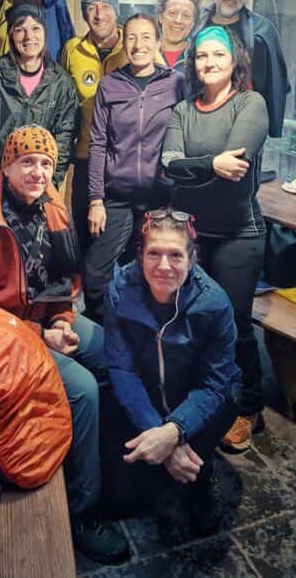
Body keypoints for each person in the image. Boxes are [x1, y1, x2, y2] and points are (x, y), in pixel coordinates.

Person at [0, 125, 129, 565]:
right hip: (3, 340)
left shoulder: (53, 209)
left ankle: (102, 462)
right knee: (81, 390)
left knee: (113, 351)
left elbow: (65, 281)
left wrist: (63, 320)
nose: (38, 171)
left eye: (46, 163)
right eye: (27, 161)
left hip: (45, 321)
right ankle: (83, 509)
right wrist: (39, 337)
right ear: (6, 165)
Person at [161, 26, 268, 452]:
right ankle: (207, 398)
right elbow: (169, 164)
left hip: (239, 235)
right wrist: (210, 163)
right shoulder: (184, 110)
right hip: (193, 234)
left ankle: (248, 407)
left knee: (235, 324)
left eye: (217, 56)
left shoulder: (251, 103)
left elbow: (235, 165)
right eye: (201, 56)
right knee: (192, 319)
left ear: (234, 60)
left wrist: (193, 168)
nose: (208, 63)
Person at [103, 209, 240, 536]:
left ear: (192, 259)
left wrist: (174, 431)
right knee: (121, 500)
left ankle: (204, 470)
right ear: (140, 255)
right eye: (154, 253)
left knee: (204, 520)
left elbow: (215, 385)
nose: (163, 266)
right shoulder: (120, 290)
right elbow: (122, 369)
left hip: (206, 399)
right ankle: (185, 461)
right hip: (149, 395)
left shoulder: (214, 303)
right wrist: (160, 434)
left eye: (175, 255)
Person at [84, 13, 186, 320]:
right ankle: (101, 342)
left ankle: (145, 336)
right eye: (131, 37)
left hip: (158, 198)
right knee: (94, 274)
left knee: (149, 272)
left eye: (145, 37)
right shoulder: (109, 85)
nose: (138, 44)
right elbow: (98, 143)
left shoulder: (176, 83)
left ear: (157, 42)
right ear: (123, 42)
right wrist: (96, 200)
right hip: (115, 195)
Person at [61, 0, 128, 251]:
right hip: (87, 159)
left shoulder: (134, 44)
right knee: (86, 239)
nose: (99, 14)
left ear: (116, 9)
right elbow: (64, 103)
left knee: (124, 244)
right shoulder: (72, 50)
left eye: (105, 6)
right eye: (91, 8)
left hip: (125, 161)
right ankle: (89, 293)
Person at [0, 3, 78, 187]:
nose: (29, 37)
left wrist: (50, 181)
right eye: (20, 30)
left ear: (44, 32)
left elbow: (64, 138)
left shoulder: (60, 83)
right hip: (0, 182)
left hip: (40, 183)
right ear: (11, 35)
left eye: (36, 28)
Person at [199, 0, 288, 137]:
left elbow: (277, 81)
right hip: (198, 119)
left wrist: (272, 126)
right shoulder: (196, 25)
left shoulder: (262, 31)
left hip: (245, 124)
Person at [157, 0, 200, 70]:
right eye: (172, 13)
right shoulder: (145, 52)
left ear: (193, 24)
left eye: (186, 16)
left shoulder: (200, 56)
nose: (178, 20)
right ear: (160, 17)